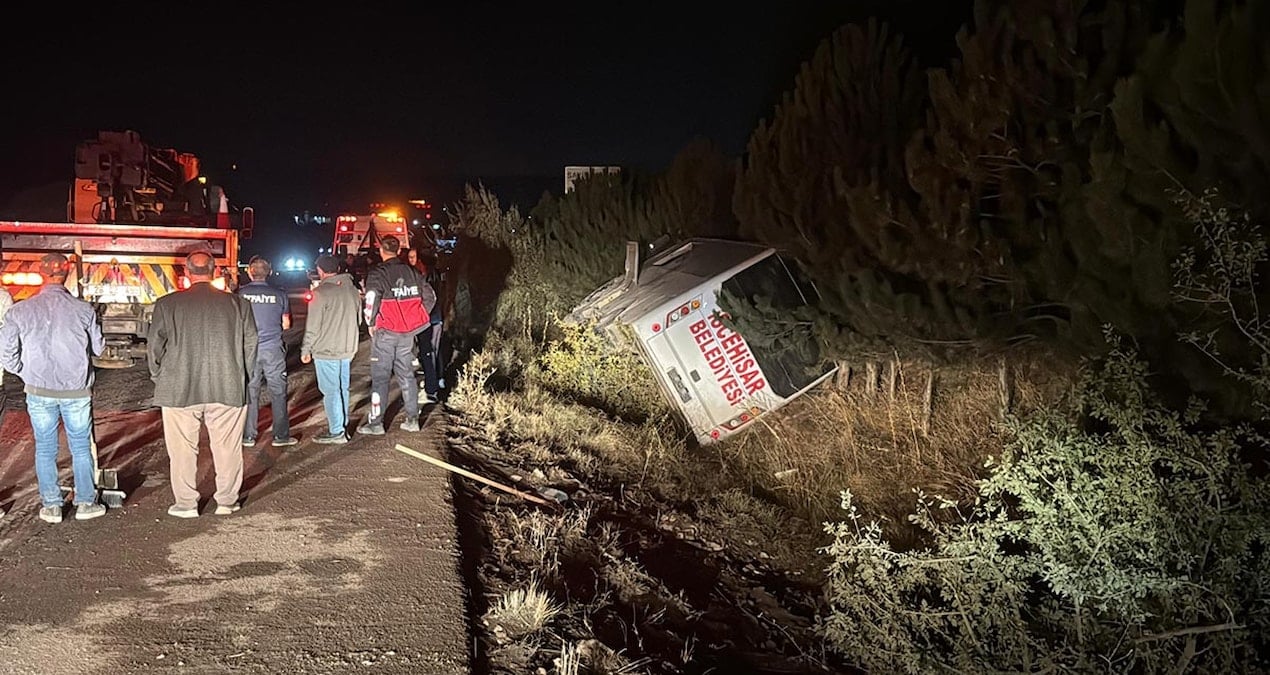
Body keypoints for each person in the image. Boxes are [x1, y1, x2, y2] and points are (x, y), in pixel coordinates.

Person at [149, 251, 258, 518]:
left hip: (178, 387)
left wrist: (159, 376)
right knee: (228, 447)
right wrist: (244, 375)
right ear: (215, 271)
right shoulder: (238, 304)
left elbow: (154, 347)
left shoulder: (167, 304)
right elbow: (251, 343)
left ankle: (186, 504)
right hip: (228, 384)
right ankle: (226, 501)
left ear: (186, 272)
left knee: (182, 449)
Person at [0, 253, 106, 523]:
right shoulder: (83, 310)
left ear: (41, 272)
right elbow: (99, 349)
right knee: (80, 446)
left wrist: (24, 372)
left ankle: (51, 505)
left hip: (38, 390)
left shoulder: (20, 311)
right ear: (68, 272)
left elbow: (7, 353)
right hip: (76, 391)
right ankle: (85, 502)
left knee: (45, 447)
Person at [358, 235, 435, 435]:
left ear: (381, 250)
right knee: (406, 375)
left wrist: (371, 322)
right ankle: (412, 419)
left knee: (380, 378)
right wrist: (416, 319)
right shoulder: (412, 272)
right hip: (407, 334)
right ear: (399, 250)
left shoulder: (378, 273)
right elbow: (430, 297)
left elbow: (371, 300)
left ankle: (376, 423)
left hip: (385, 332)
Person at [301, 255, 362, 443]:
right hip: (347, 347)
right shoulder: (352, 290)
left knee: (331, 390)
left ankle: (336, 431)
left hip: (327, 349)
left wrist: (306, 349)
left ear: (320, 270)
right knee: (342, 388)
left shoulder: (320, 293)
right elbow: (359, 319)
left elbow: (313, 326)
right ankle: (341, 424)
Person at [238, 256, 296, 448]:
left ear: (249, 272)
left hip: (248, 349)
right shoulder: (279, 294)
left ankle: (248, 435)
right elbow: (286, 324)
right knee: (278, 391)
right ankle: (281, 436)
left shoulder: (239, 295)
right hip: (273, 349)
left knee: (250, 391)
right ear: (269, 272)